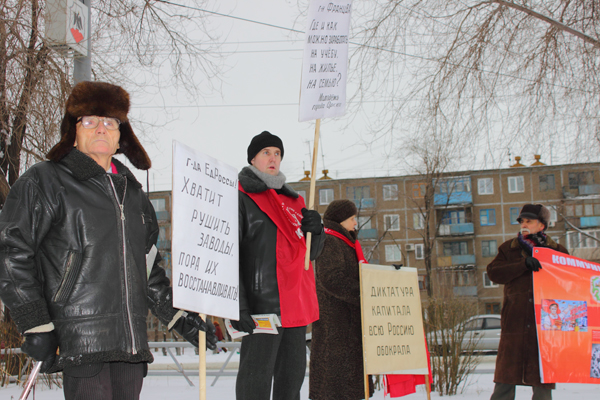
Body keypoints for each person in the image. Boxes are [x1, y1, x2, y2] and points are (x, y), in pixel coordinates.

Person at [0, 81, 217, 400]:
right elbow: (11, 252)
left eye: (110, 122)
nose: (101, 128)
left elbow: (148, 268)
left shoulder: (135, 196)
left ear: (121, 136)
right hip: (82, 340)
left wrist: (177, 316)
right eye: (90, 120)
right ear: (73, 130)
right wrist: (35, 322)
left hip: (130, 346)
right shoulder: (45, 181)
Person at [232, 131, 325, 400]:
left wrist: (316, 231)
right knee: (255, 383)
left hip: (295, 305)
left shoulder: (295, 202)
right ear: (253, 158)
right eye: (266, 152)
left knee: (291, 383)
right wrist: (238, 305)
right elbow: (230, 254)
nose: (273, 158)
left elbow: (311, 255)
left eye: (278, 153)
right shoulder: (240, 196)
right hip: (262, 307)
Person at [487, 204, 568, 400]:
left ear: (542, 226)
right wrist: (522, 264)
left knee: (542, 384)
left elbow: (568, 283)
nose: (524, 224)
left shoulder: (557, 251)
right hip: (514, 324)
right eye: (521, 221)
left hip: (544, 327)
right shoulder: (509, 249)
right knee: (504, 384)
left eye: (529, 221)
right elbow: (494, 273)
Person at [309, 199, 373, 400]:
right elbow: (332, 278)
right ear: (341, 219)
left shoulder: (345, 242)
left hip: (345, 327)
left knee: (346, 388)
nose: (356, 223)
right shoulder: (330, 241)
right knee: (335, 389)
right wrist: (365, 294)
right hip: (335, 327)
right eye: (352, 218)